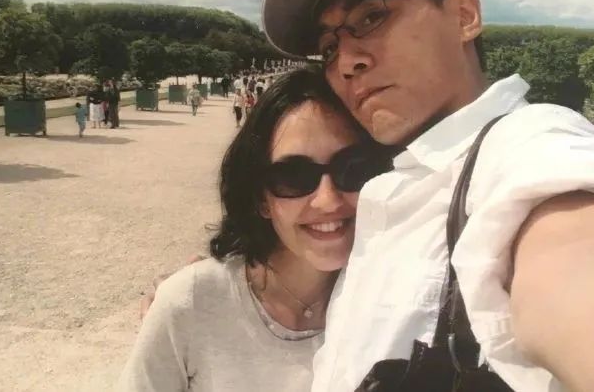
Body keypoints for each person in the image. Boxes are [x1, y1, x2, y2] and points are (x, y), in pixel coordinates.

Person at [261, 0, 594, 392]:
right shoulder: (397, 174)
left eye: (371, 17)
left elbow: (574, 266)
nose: (345, 63)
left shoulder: (532, 144)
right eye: (327, 48)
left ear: (464, 15)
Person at [118, 68, 395, 392]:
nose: (327, 199)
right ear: (260, 198)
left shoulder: (399, 299)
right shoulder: (192, 304)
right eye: (294, 176)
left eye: (353, 168)